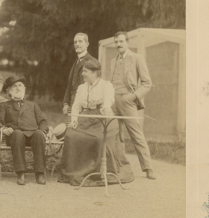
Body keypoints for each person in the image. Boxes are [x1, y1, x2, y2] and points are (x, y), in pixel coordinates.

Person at [57, 58, 134, 186]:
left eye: (85, 71)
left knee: (99, 138)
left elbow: (107, 104)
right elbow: (76, 106)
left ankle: (98, 172)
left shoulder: (106, 86)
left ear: (94, 73)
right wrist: (74, 119)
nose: (82, 74)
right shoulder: (82, 87)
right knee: (71, 135)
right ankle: (75, 171)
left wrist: (105, 113)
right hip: (85, 118)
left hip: (102, 118)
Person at [109, 31, 156, 179]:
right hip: (113, 102)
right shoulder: (112, 61)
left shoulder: (136, 58)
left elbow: (147, 83)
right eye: (116, 42)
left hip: (128, 101)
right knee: (115, 134)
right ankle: (119, 166)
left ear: (127, 42)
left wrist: (132, 97)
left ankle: (148, 168)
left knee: (136, 135)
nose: (118, 44)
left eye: (121, 41)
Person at [0, 76, 49, 185]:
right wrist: (3, 129)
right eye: (14, 86)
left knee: (39, 134)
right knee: (17, 133)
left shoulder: (33, 105)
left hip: (32, 134)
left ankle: (39, 173)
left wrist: (42, 130)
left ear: (25, 89)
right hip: (15, 136)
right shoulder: (4, 106)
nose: (18, 88)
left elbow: (43, 121)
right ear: (9, 91)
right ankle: (21, 173)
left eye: (20, 85)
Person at [62, 33, 98, 116]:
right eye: (75, 42)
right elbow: (70, 85)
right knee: (71, 126)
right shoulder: (76, 62)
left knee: (82, 127)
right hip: (72, 103)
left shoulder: (93, 61)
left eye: (80, 41)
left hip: (85, 106)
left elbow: (94, 87)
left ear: (87, 44)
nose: (77, 44)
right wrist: (65, 103)